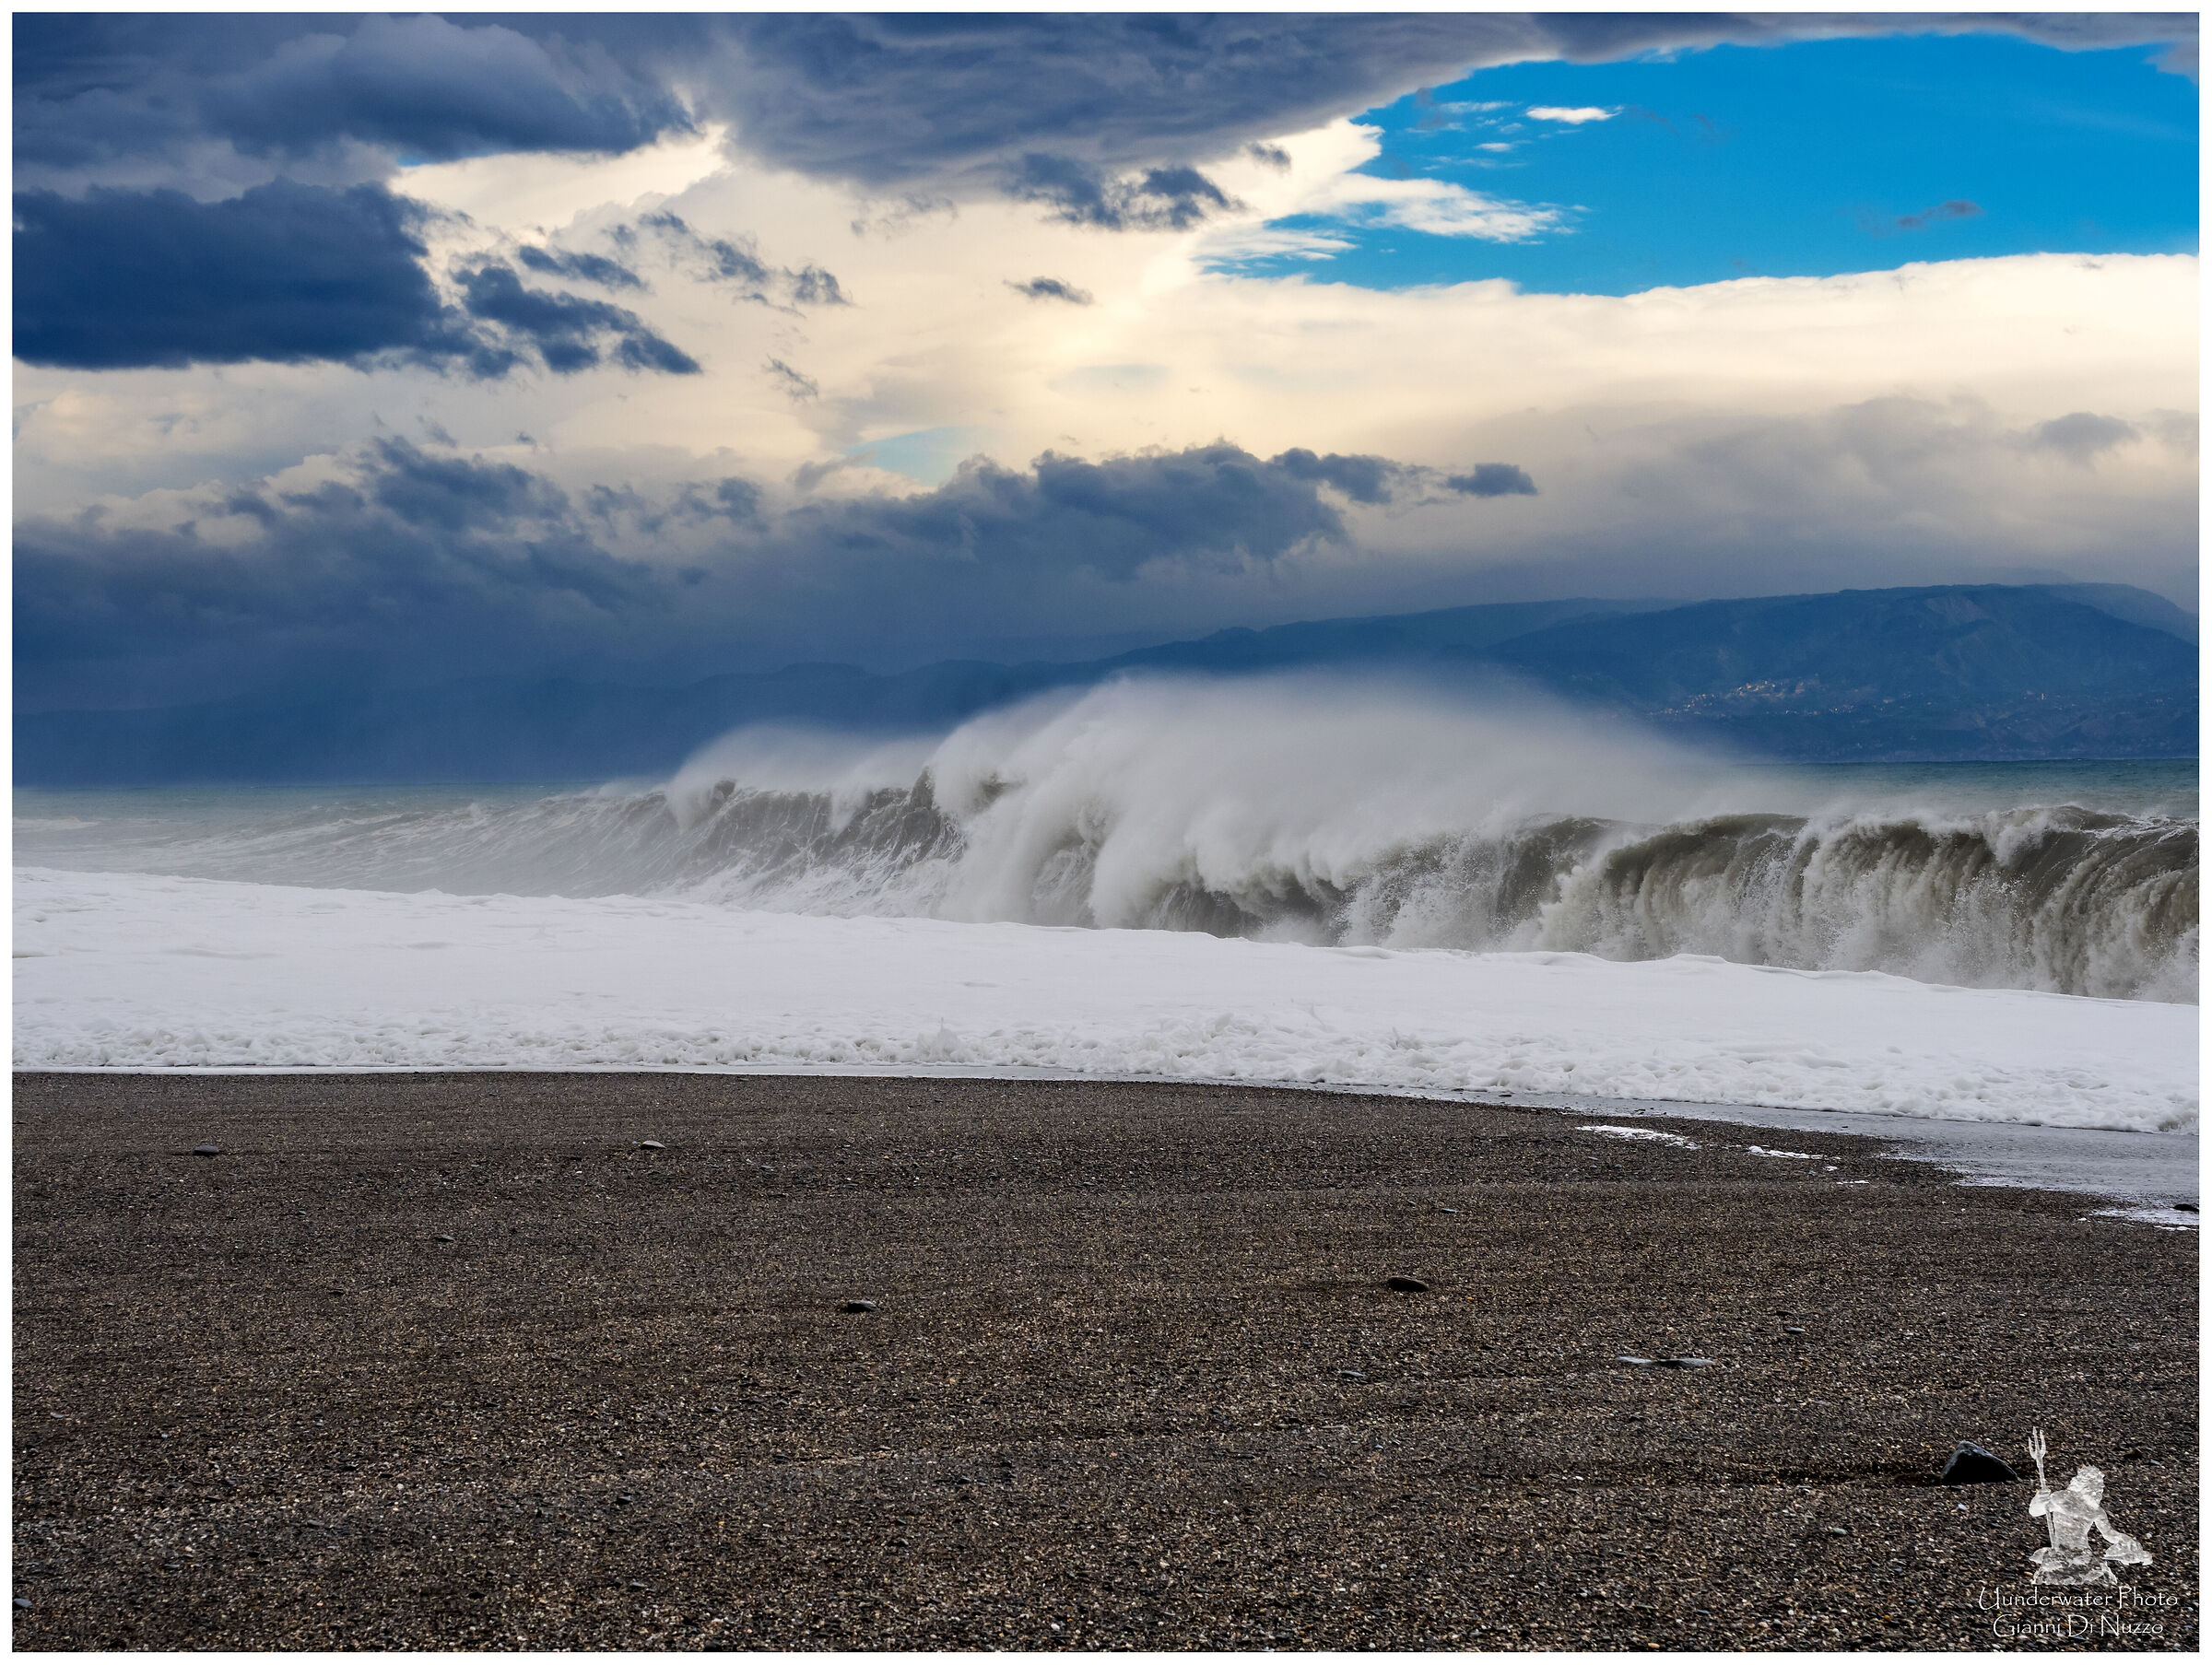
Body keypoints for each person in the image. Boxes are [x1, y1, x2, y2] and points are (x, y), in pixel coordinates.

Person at [2028, 1465, 2151, 1586]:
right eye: (2095, 1486)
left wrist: (2127, 1541)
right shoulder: (2063, 1498)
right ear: (2083, 1484)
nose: (2099, 1491)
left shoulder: (2096, 1510)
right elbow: (2035, 1511)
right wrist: (2038, 1501)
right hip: (2060, 1549)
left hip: (2084, 1553)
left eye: (2100, 1487)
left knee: (2098, 1576)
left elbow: (2109, 1533)